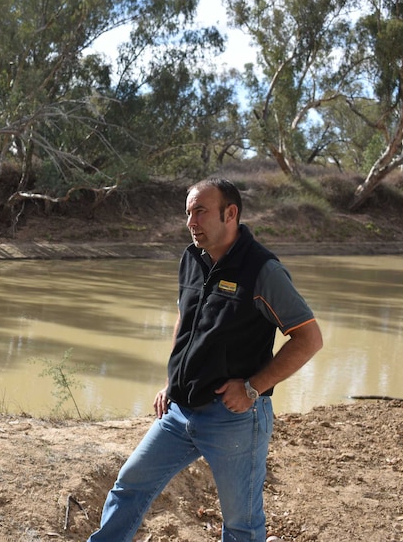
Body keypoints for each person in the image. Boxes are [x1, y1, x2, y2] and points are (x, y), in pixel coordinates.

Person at [88, 177, 323, 542]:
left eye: (200, 211)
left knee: (241, 524)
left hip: (234, 419)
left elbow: (309, 339)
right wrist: (172, 379)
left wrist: (252, 387)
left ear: (231, 213)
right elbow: (186, 318)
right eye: (188, 213)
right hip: (180, 411)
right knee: (129, 485)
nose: (191, 221)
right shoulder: (191, 258)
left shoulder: (263, 270)